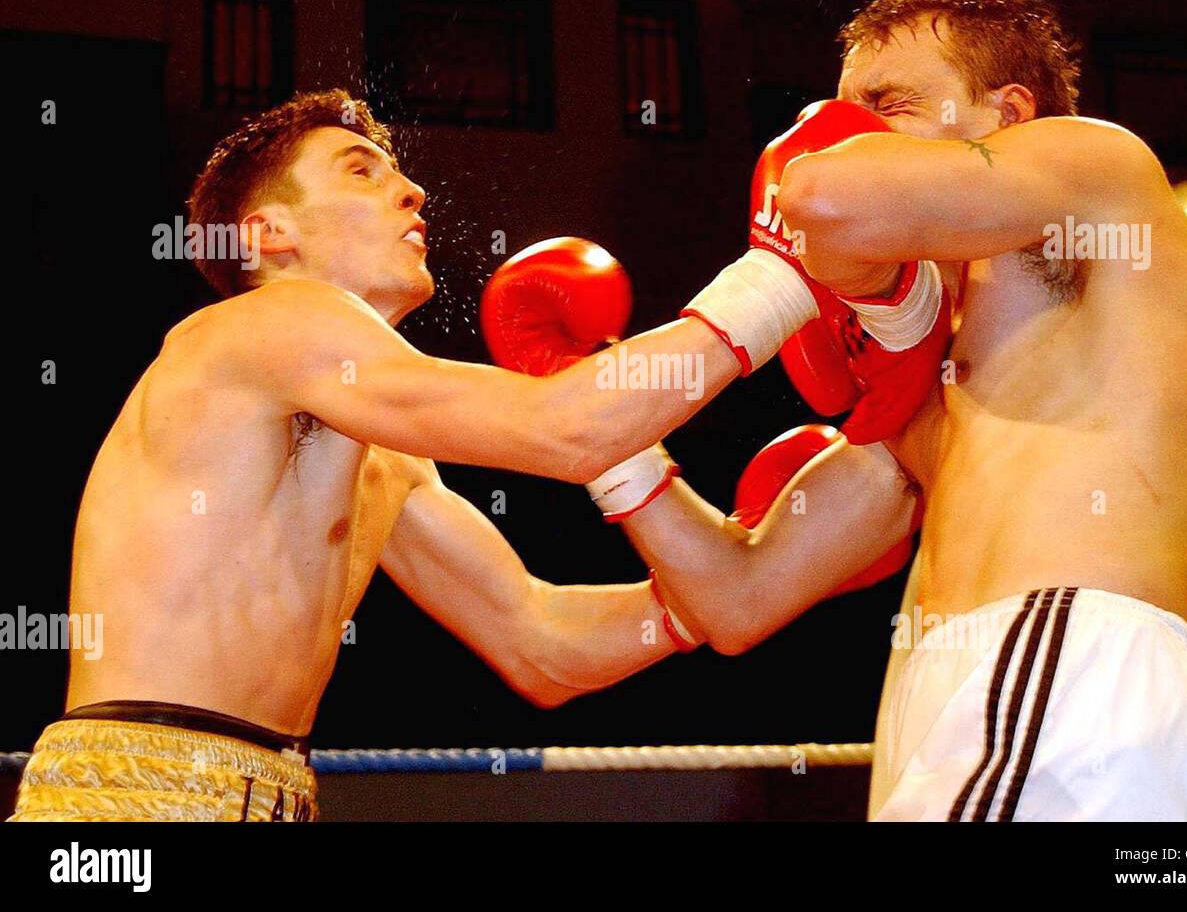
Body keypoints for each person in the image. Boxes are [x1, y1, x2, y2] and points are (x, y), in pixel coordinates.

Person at [10, 87, 898, 822]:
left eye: (401, 174)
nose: (412, 194)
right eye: (362, 172)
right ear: (269, 235)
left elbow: (540, 641)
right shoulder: (260, 325)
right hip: (132, 791)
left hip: (273, 792)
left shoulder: (382, 454)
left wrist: (722, 582)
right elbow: (566, 428)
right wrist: (784, 274)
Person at [496, 0, 1187, 820]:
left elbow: (826, 196)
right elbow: (736, 598)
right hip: (1028, 704)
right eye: (842, 108)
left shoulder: (1100, 165)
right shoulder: (934, 375)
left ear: (1007, 115)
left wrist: (821, 274)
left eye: (888, 104)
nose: (848, 133)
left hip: (1066, 674)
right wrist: (609, 427)